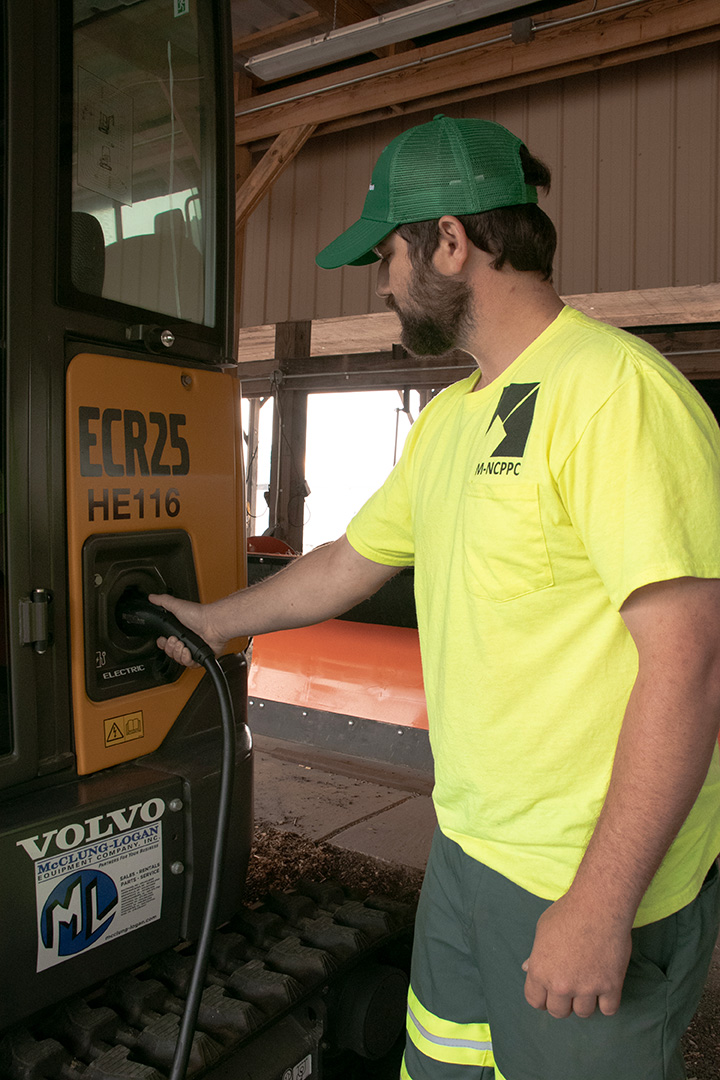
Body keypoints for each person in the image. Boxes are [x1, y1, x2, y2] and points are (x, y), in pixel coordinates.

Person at [153, 114, 720, 1080]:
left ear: (450, 243)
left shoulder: (616, 395)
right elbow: (346, 562)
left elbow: (693, 663)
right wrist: (213, 623)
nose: (383, 283)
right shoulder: (454, 420)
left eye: (387, 255)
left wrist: (598, 906)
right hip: (465, 848)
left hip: (582, 877)